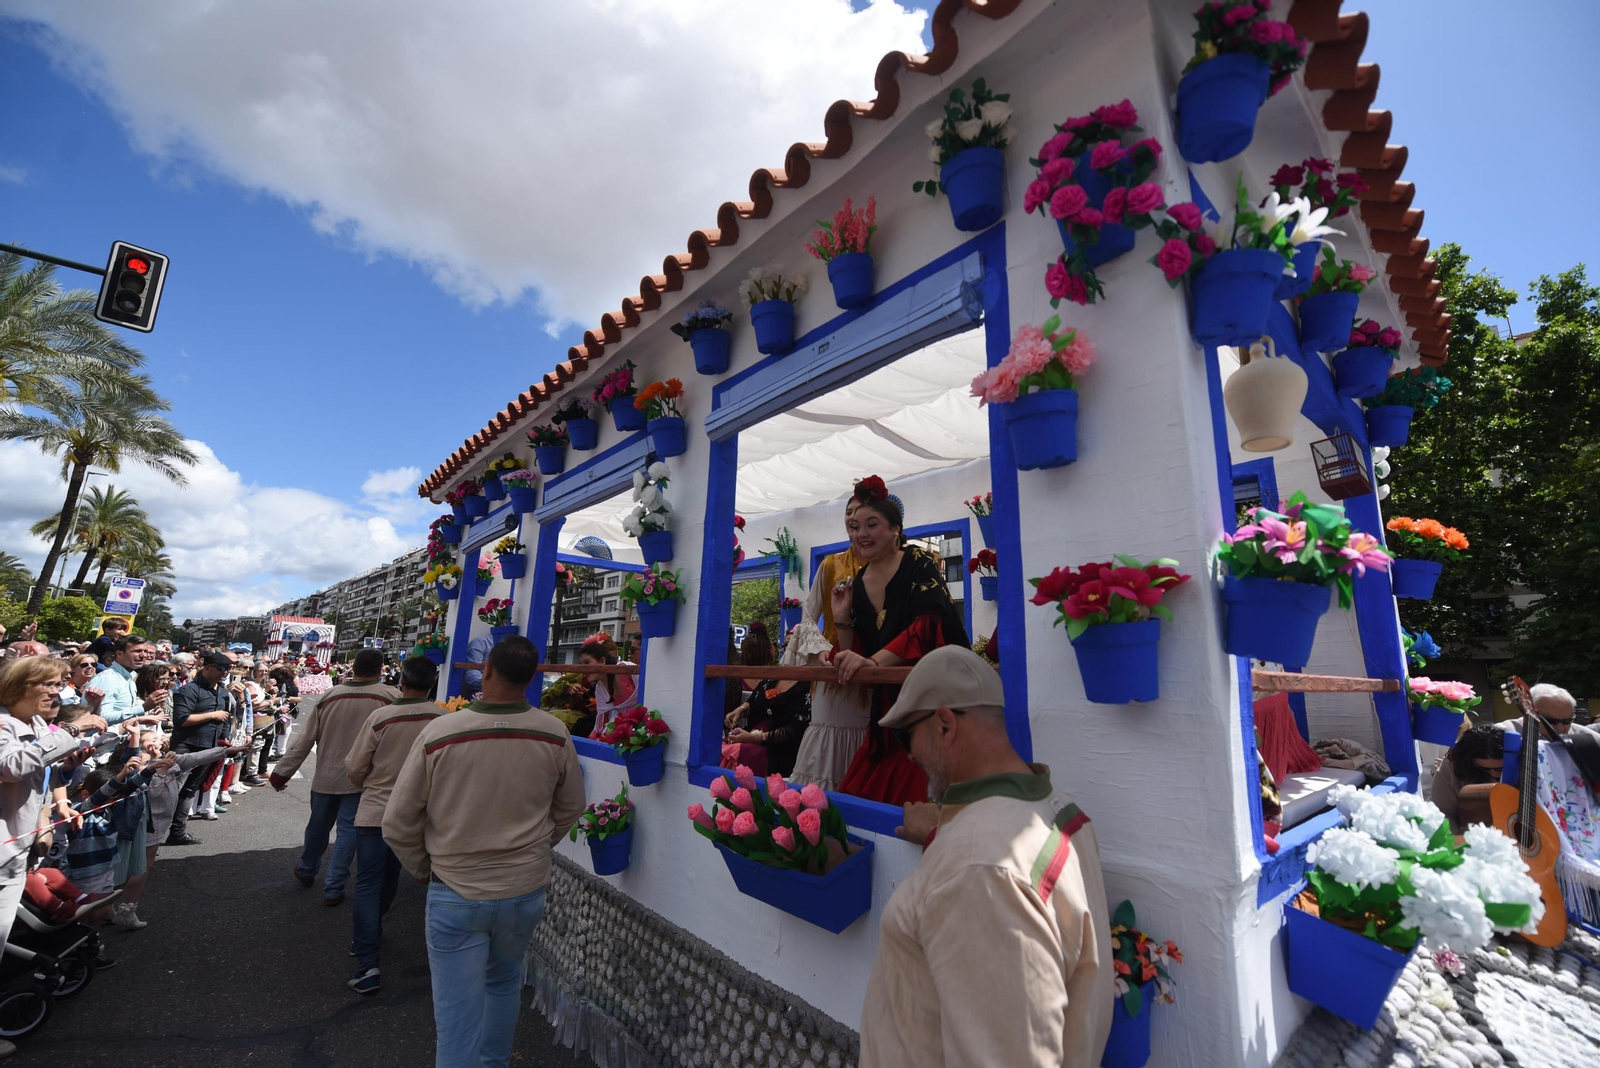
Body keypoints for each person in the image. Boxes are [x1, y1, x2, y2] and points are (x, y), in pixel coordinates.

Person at [861, 646, 1112, 1068]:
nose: (908, 754)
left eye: (907, 736)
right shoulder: (1060, 810)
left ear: (944, 725)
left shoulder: (978, 872)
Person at [384, 636, 585, 1068]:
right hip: (523, 892)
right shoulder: (554, 733)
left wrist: (423, 867)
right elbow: (571, 807)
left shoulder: (440, 732)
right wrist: (537, 848)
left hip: (456, 890)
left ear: (487, 671)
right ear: (532, 677)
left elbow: (397, 821)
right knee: (503, 986)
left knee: (456, 1015)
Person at [831, 476, 969, 806]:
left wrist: (874, 662)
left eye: (871, 524)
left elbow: (927, 628)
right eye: (853, 527)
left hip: (934, 704)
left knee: (926, 803)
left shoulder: (919, 562)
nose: (860, 534)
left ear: (895, 529)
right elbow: (861, 654)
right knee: (862, 804)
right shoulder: (860, 582)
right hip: (888, 712)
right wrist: (841, 618)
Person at [0, 655, 95, 1057]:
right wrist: (71, 729)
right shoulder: (4, 723)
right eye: (49, 685)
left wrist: (67, 764)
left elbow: (42, 773)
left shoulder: (37, 725)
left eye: (59, 685)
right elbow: (11, 767)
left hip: (18, 848)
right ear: (20, 686)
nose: (57, 692)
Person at [342, 655, 447, 996]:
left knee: (370, 882)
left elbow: (356, 767)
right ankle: (371, 933)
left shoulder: (381, 717)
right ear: (432, 683)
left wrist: (371, 784)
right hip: (421, 816)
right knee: (391, 878)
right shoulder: (445, 719)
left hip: (376, 812)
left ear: (401, 681)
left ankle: (367, 958)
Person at [270, 648, 399, 905]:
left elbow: (304, 740)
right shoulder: (391, 697)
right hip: (363, 778)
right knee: (348, 833)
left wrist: (281, 774)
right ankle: (334, 887)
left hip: (326, 776)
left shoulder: (330, 696)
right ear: (381, 669)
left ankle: (307, 870)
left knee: (317, 828)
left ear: (355, 669)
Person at [789, 497, 868, 792]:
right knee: (826, 740)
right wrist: (821, 648)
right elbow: (809, 616)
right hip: (832, 669)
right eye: (848, 512)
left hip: (872, 668)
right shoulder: (830, 564)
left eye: (860, 512)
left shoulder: (887, 566)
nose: (853, 517)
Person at [165, 651, 240, 846]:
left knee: (191, 789)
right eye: (221, 668)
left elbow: (227, 718)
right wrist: (212, 715)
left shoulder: (223, 691)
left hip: (210, 747)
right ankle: (154, 835)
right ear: (206, 668)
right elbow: (181, 720)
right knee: (170, 791)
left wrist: (223, 740)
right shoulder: (189, 690)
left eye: (228, 669)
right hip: (186, 747)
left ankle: (178, 832)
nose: (225, 672)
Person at [722, 628, 812, 777]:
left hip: (778, 750)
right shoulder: (773, 674)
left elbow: (795, 730)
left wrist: (756, 738)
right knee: (720, 748)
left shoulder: (808, 686)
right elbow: (754, 700)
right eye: (784, 645)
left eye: (792, 646)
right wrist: (741, 710)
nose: (785, 650)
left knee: (734, 751)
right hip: (750, 736)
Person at [1429, 724, 1506, 835]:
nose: (1493, 773)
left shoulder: (1522, 763)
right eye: (1484, 769)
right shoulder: (1451, 767)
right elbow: (1443, 812)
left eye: (1499, 769)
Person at [83, 633, 164, 726]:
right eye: (137, 651)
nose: (143, 655)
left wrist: (145, 717)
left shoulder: (129, 677)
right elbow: (101, 718)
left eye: (146, 651)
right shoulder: (108, 679)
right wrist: (143, 708)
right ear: (119, 654)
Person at [579, 633, 637, 740]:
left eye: (587, 663)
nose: (583, 669)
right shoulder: (599, 689)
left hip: (638, 732)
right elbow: (600, 724)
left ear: (602, 661)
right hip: (614, 734)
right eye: (581, 664)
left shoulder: (629, 670)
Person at [461, 632, 496, 700]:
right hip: (481, 688)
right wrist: (489, 682)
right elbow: (470, 672)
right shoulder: (481, 642)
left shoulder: (517, 644)